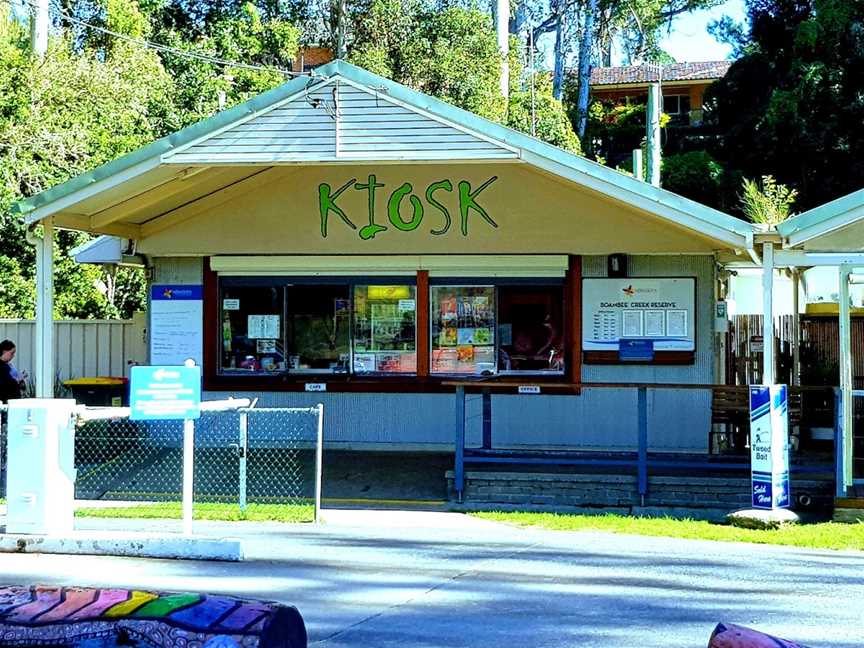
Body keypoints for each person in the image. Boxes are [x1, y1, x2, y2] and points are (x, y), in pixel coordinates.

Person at [0, 339, 24, 404]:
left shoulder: (8, 366)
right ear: (4, 351)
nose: (13, 356)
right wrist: (17, 380)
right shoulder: (2, 367)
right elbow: (5, 383)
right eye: (12, 353)